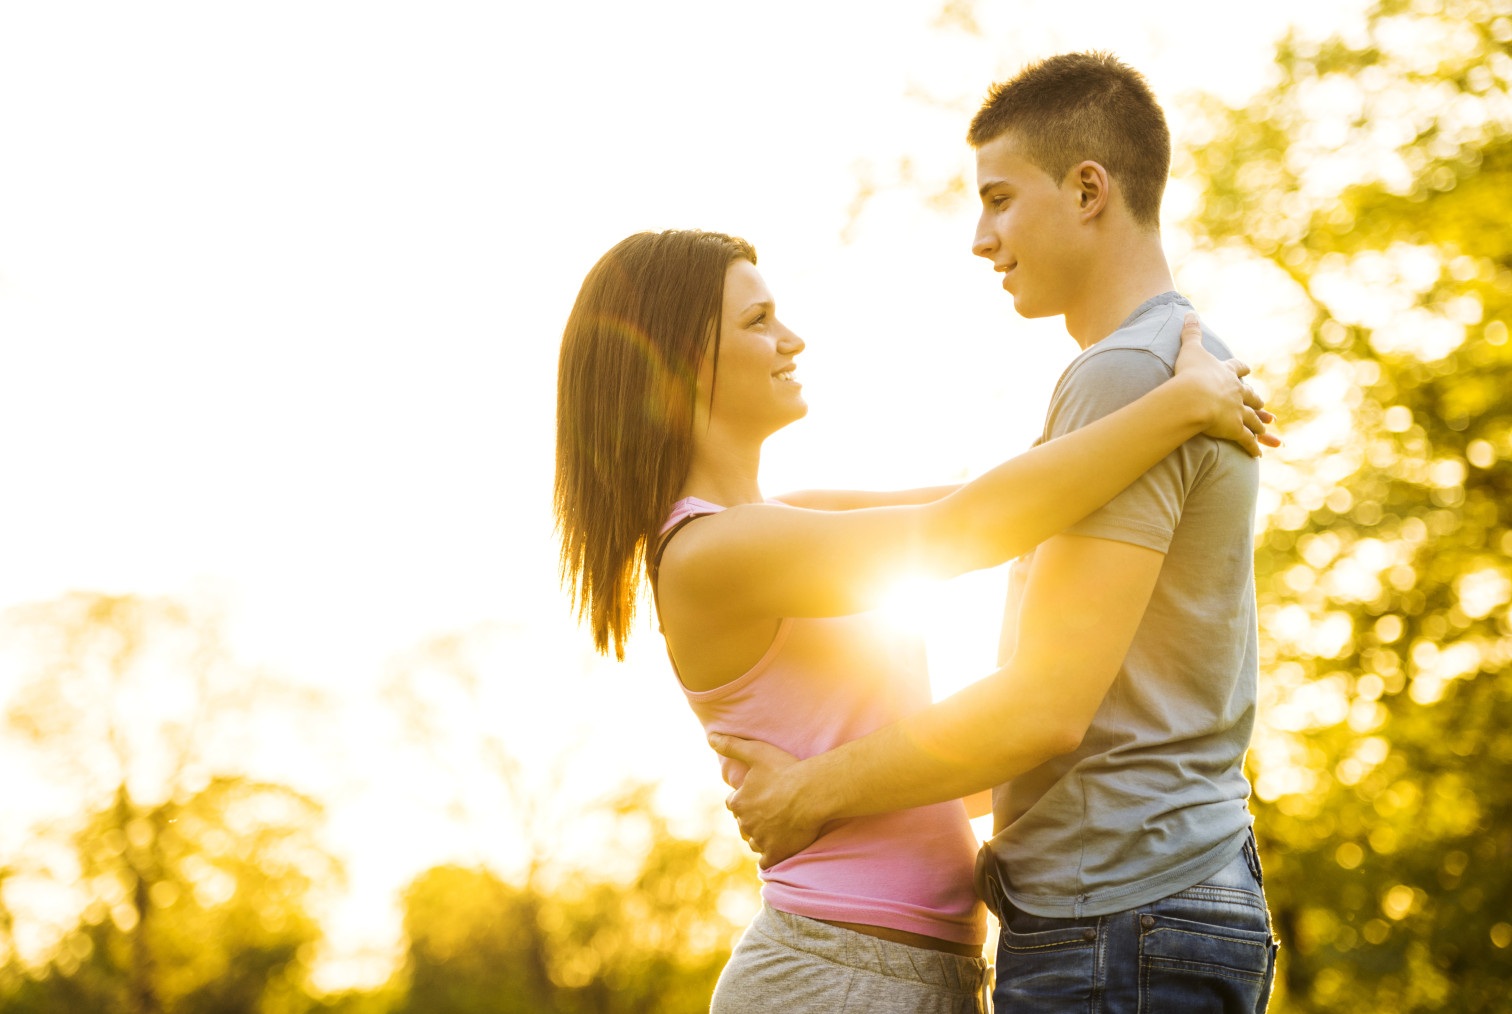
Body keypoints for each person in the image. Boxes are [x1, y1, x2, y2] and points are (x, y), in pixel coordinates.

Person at [555, 228, 1273, 1013]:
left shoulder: (782, 519)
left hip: (915, 969)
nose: (792, 339)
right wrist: (1178, 404)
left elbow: (1018, 498)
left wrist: (1147, 396)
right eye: (758, 321)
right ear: (679, 359)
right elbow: (962, 532)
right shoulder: (711, 552)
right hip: (836, 972)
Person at [713, 52, 1281, 1012]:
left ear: (1089, 189)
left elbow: (1044, 711)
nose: (982, 238)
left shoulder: (1127, 379)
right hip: (1161, 902)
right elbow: (1095, 708)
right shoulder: (1176, 375)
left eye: (1000, 199)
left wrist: (808, 793)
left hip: (1116, 920)